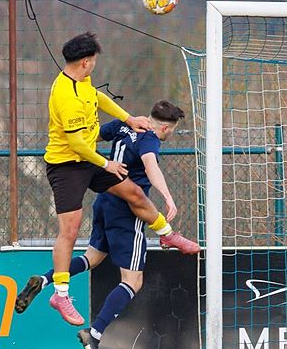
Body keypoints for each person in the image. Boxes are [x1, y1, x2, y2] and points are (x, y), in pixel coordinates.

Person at [43, 32, 198, 327]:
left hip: (90, 160)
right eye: (95, 62)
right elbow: (77, 146)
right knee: (70, 230)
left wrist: (128, 119)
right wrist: (107, 164)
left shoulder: (80, 81)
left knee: (135, 194)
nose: (95, 66)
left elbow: (98, 98)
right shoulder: (66, 96)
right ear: (86, 62)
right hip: (68, 166)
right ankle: (60, 294)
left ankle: (167, 234)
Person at [18, 100, 187, 349]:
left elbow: (94, 134)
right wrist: (167, 197)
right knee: (133, 281)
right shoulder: (150, 138)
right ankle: (94, 335)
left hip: (104, 201)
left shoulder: (125, 123)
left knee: (92, 258)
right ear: (165, 127)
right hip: (128, 212)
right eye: (171, 131)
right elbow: (151, 166)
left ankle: (44, 279)